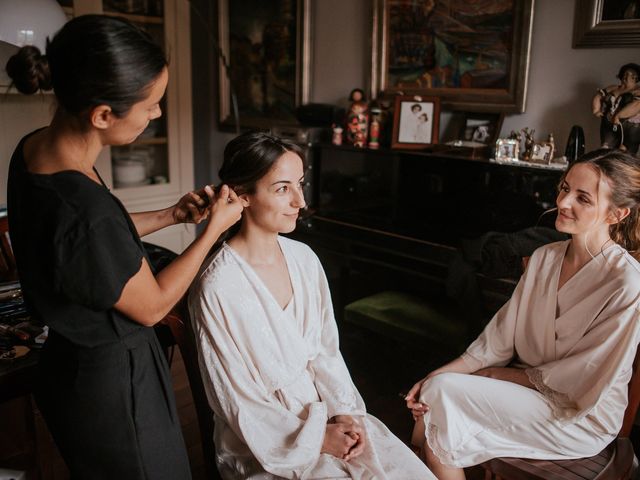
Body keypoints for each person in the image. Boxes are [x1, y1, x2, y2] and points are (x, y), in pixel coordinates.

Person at [5, 15, 242, 479]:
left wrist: (173, 215)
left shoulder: (36, 150)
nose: (156, 114)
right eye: (150, 104)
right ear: (102, 115)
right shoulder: (83, 207)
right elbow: (152, 307)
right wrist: (212, 230)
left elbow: (84, 242)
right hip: (110, 386)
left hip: (66, 365)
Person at [188, 131, 435, 479]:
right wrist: (317, 438)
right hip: (265, 439)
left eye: (300, 184)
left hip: (325, 412)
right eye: (282, 188)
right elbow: (236, 400)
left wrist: (344, 414)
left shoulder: (304, 259)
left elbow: (326, 353)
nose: (301, 202)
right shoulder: (216, 287)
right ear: (242, 195)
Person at [406, 149, 640, 480]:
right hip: (530, 397)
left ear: (616, 214)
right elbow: (493, 344)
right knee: (435, 398)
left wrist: (496, 376)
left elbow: (586, 380)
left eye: (582, 198)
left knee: (439, 400)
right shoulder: (544, 258)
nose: (563, 202)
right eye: (564, 188)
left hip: (580, 417)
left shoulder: (627, 282)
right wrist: (432, 378)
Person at [592, 63, 640, 154]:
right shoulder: (613, 88)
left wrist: (619, 116)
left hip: (629, 127)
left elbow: (637, 106)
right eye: (625, 74)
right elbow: (598, 96)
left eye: (631, 75)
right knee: (605, 151)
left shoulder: (637, 91)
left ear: (636, 78)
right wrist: (596, 110)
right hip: (609, 125)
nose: (626, 77)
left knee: (624, 154)